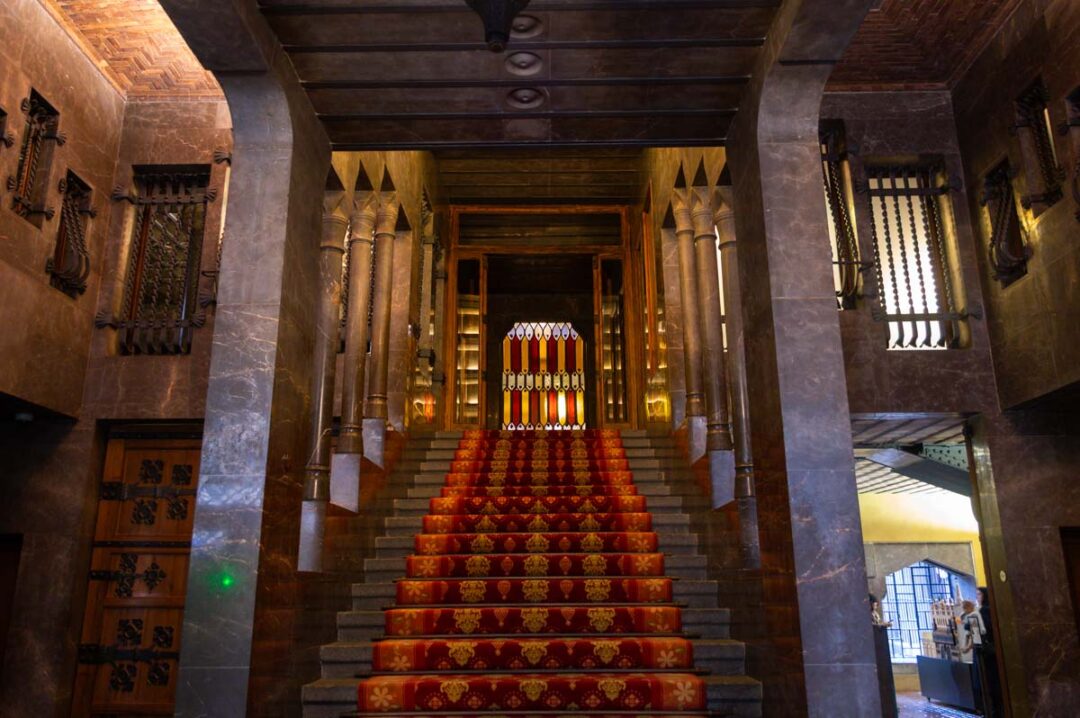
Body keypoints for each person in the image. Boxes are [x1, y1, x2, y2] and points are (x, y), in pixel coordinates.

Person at [957, 599, 985, 663]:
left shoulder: (973, 616)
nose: (964, 611)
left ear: (968, 607)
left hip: (979, 646)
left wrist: (968, 647)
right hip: (977, 644)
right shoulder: (974, 614)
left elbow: (975, 635)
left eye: (964, 609)